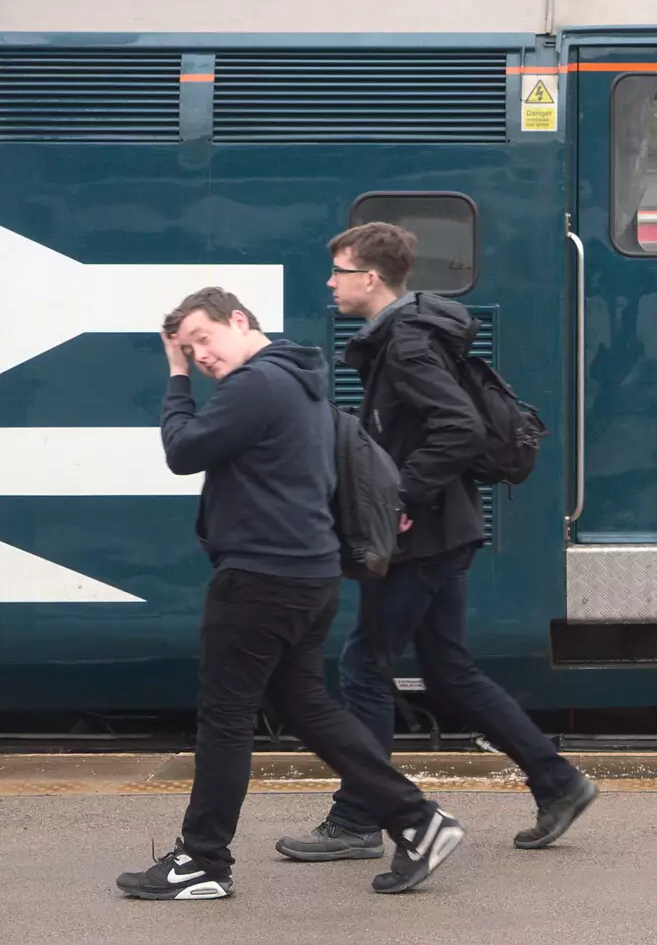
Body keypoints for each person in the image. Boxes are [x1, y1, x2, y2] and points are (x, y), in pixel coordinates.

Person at [116, 288, 464, 901]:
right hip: (307, 575)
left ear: (241, 320)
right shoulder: (302, 380)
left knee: (224, 717)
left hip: (260, 577)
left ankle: (201, 861)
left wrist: (173, 379)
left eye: (204, 338)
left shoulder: (257, 385)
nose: (199, 355)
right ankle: (417, 821)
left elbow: (182, 451)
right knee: (309, 708)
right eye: (188, 349)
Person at [276, 222, 596, 863]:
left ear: (370, 278)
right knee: (450, 670)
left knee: (365, 668)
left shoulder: (408, 345)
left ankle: (359, 817)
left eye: (339, 271)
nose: (331, 283)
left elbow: (458, 429)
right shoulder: (404, 337)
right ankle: (558, 782)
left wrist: (399, 497)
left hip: (421, 537)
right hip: (445, 530)